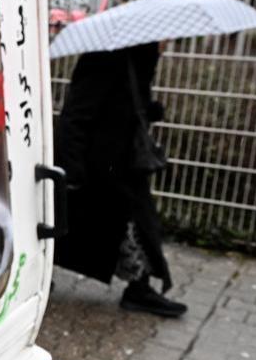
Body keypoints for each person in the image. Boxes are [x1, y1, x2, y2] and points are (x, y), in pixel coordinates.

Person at [55, 43, 187, 317]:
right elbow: (75, 114)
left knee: (123, 224)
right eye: (166, 39)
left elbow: (122, 104)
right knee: (113, 224)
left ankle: (140, 286)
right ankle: (139, 288)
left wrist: (148, 109)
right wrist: (72, 167)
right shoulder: (106, 57)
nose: (168, 44)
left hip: (121, 162)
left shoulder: (136, 59)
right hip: (98, 163)